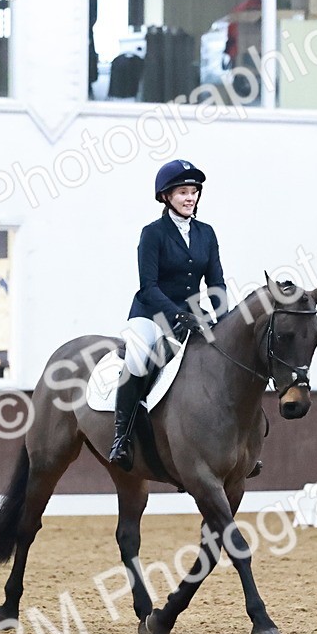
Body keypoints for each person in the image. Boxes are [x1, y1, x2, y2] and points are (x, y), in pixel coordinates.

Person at [108, 159, 229, 471]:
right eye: (183, 193)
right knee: (138, 358)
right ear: (166, 196)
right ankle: (122, 438)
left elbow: (215, 282)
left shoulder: (207, 233)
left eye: (194, 192)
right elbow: (148, 286)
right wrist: (176, 315)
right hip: (151, 314)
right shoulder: (153, 233)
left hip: (191, 315)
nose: (190, 198)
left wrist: (223, 317)